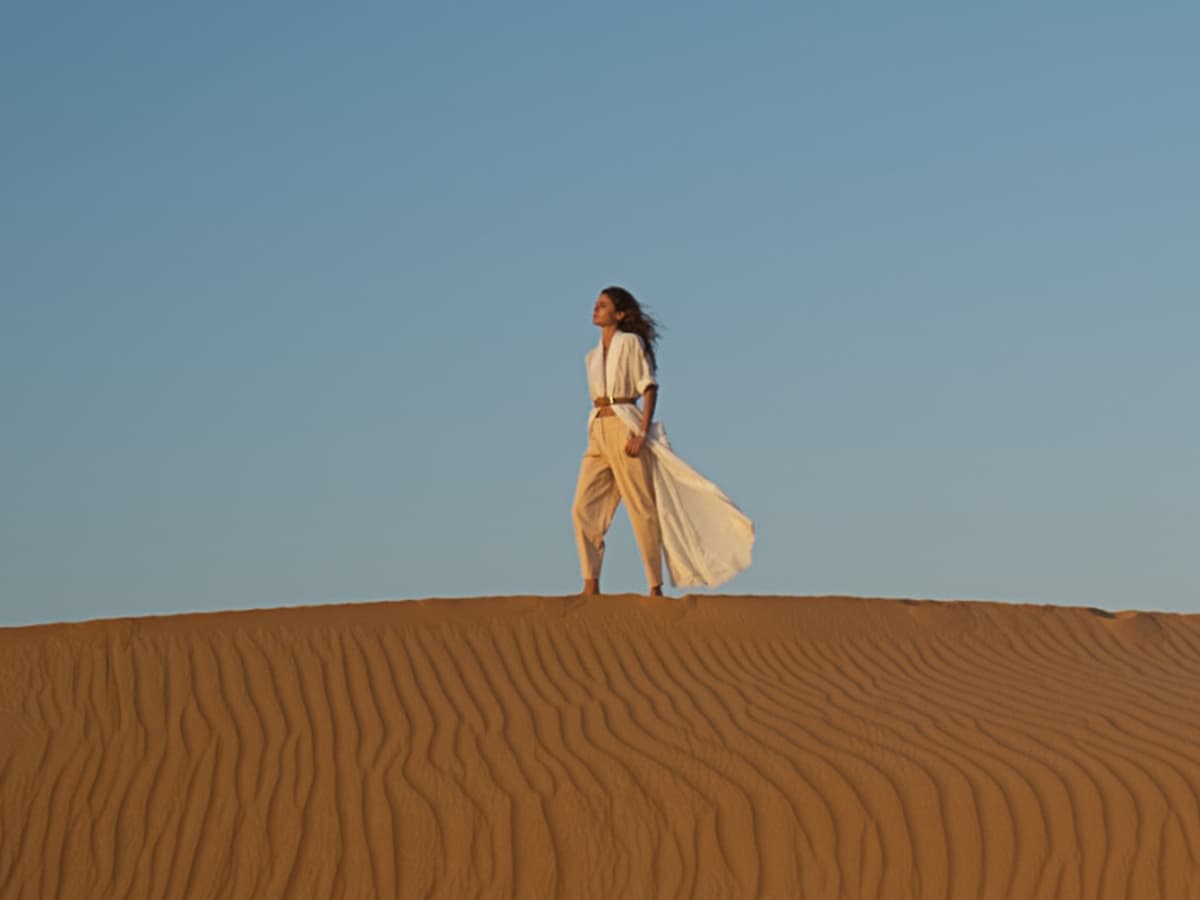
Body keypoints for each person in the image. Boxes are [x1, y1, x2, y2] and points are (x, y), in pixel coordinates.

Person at [571, 286, 754, 596]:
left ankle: (654, 586)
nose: (596, 309)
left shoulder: (630, 343)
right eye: (596, 305)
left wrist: (642, 433)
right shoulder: (590, 357)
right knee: (583, 508)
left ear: (620, 314)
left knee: (641, 507)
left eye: (603, 306)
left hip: (624, 424)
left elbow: (649, 387)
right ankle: (591, 583)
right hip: (597, 428)